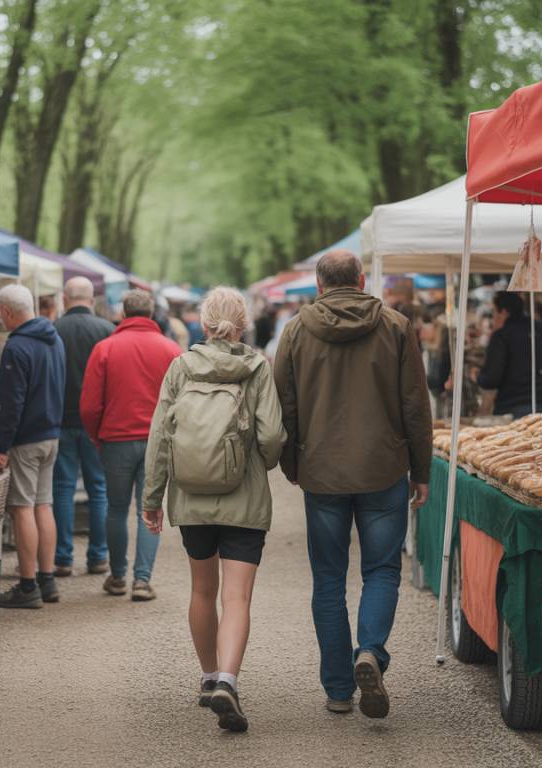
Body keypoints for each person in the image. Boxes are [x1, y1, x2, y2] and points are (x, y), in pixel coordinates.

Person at [273, 250, 432, 720]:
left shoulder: (298, 330)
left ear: (319, 285)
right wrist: (421, 471)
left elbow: (285, 404)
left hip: (322, 471)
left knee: (328, 579)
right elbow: (415, 406)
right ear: (362, 280)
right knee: (382, 570)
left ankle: (340, 689)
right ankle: (371, 652)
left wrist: (291, 461)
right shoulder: (396, 326)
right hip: (383, 469)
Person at [143, 287, 286, 733]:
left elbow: (160, 438)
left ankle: (207, 677)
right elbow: (272, 436)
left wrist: (152, 500)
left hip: (191, 498)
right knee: (236, 596)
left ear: (202, 324)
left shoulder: (181, 367)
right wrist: (260, 462)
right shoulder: (257, 367)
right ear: (243, 325)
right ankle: (228, 679)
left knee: (202, 591)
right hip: (243, 499)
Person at [80, 289, 181, 601]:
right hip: (157, 441)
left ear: (123, 313)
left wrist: (98, 435)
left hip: (116, 440)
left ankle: (118, 576)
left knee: (116, 508)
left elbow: (89, 405)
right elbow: (183, 400)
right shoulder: (171, 349)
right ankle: (142, 580)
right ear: (151, 314)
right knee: (149, 511)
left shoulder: (105, 348)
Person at [0, 284, 66, 609]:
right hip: (51, 434)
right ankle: (47, 580)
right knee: (43, 505)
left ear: (7, 312)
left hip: (25, 439)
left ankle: (27, 585)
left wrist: (0, 445)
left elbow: (10, 403)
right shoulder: (54, 338)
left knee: (22, 507)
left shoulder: (16, 347)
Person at [52, 277, 114, 577]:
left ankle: (62, 557)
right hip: (96, 424)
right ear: (91, 300)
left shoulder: (53, 331)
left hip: (60, 419)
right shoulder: (106, 331)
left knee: (62, 490)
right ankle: (98, 556)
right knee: (98, 490)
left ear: (65, 298)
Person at [477, 291, 542, 418]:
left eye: (495, 312)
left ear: (504, 312)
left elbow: (491, 378)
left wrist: (479, 378)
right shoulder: (540, 330)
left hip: (511, 408)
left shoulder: (502, 336)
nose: (493, 318)